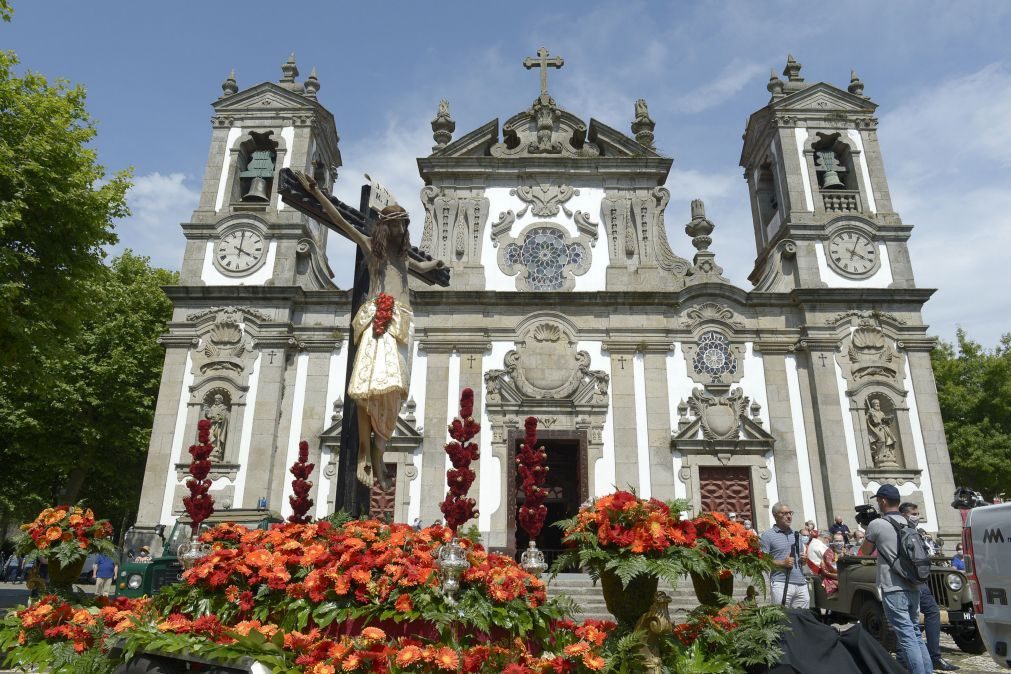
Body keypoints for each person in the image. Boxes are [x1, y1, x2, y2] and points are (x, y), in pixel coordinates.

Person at [294, 170, 445, 489]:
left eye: (405, 224)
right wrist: (317, 193)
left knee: (395, 390)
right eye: (397, 223)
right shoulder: (371, 247)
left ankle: (379, 448)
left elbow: (423, 268)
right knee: (368, 384)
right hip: (380, 317)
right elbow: (341, 220)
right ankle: (364, 452)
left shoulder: (403, 259)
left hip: (404, 322)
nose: (402, 229)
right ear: (384, 226)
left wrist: (439, 265)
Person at [860, 486, 932, 674]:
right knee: (915, 632)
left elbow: (865, 551)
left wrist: (867, 528)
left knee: (906, 635)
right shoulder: (909, 523)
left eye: (878, 500)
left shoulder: (877, 524)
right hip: (914, 584)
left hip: (893, 586)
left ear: (883, 501)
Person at [898, 502, 960, 671]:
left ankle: (925, 656)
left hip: (918, 579)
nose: (917, 516)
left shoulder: (911, 531)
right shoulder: (902, 530)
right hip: (911, 579)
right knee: (916, 617)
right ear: (904, 514)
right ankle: (923, 657)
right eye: (914, 513)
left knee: (921, 614)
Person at [760, 502, 809, 608]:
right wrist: (782, 563)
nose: (789, 516)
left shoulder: (796, 534)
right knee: (782, 621)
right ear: (775, 515)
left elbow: (800, 561)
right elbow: (762, 561)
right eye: (785, 513)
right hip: (781, 583)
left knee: (802, 619)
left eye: (790, 513)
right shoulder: (767, 536)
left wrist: (803, 560)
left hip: (801, 583)